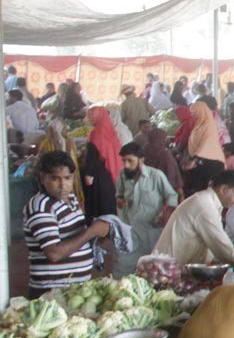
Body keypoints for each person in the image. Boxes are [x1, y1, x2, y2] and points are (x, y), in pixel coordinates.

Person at [23, 152, 110, 297]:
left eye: (67, 178)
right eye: (55, 178)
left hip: (74, 291)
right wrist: (91, 232)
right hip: (52, 293)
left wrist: (97, 235)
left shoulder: (70, 199)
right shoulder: (41, 206)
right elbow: (54, 253)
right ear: (43, 178)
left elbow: (76, 237)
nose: (63, 185)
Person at [154, 169, 234, 269]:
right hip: (165, 271)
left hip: (171, 268)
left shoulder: (207, 201)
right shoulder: (205, 206)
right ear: (223, 189)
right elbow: (222, 247)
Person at [114, 142, 178, 277]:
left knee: (152, 271)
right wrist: (120, 200)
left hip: (152, 232)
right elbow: (118, 194)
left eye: (130, 161)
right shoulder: (123, 175)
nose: (126, 165)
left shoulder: (156, 176)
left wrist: (166, 213)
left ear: (141, 160)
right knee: (124, 269)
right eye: (124, 161)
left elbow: (172, 196)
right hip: (130, 231)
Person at [81, 106, 120, 220]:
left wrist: (88, 174)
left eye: (91, 116)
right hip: (108, 175)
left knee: (97, 207)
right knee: (107, 206)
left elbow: (92, 157)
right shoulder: (110, 131)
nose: (89, 119)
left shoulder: (96, 133)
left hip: (97, 177)